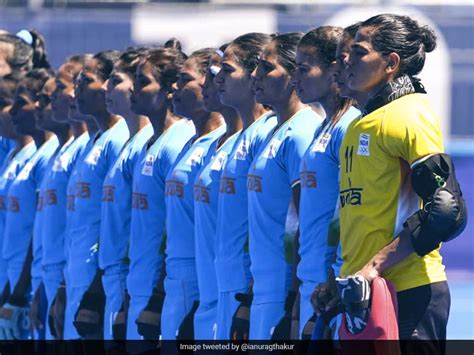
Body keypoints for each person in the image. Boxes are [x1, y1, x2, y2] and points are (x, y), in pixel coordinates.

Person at [340, 14, 459, 351]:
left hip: (408, 293)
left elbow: (447, 210)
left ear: (391, 62)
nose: (346, 60)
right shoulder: (359, 125)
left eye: (359, 52)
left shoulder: (408, 113)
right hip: (362, 294)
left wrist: (376, 265)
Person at [247, 32, 322, 340]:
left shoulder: (302, 132)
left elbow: (307, 219)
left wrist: (292, 299)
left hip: (282, 290)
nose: (256, 75)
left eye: (267, 67)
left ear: (293, 75)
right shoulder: (270, 130)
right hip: (263, 286)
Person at [293, 26, 360, 339]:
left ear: (334, 69)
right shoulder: (324, 127)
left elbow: (350, 210)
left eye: (304, 69)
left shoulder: (350, 126)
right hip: (312, 283)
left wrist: (334, 279)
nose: (296, 78)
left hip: (330, 290)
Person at [127, 41, 195, 342]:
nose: (133, 89)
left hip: (168, 284)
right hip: (139, 281)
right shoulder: (147, 142)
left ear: (168, 90)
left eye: (143, 82)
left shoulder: (179, 141)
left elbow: (177, 223)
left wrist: (156, 295)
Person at [213, 34, 277, 340]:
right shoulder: (239, 139)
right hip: (223, 285)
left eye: (227, 70)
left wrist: (250, 296)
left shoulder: (269, 133)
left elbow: (284, 221)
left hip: (252, 288)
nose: (218, 80)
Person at [162, 47, 226, 340]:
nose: (175, 87)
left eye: (185, 79)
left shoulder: (217, 144)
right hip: (177, 278)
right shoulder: (189, 142)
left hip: (203, 280)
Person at [67, 50, 129, 339]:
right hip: (77, 272)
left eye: (86, 81)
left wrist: (94, 289)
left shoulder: (117, 141)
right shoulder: (95, 140)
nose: (76, 90)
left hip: (100, 276)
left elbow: (118, 218)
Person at [98, 47, 154, 341]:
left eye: (116, 80)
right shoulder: (128, 144)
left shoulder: (144, 143)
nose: (107, 87)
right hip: (117, 277)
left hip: (132, 276)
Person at [1, 69, 59, 339]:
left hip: (33, 285)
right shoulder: (18, 156)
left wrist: (17, 292)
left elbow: (36, 229)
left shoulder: (46, 155)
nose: (12, 112)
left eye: (19, 103)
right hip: (18, 282)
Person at [38, 54, 92, 340]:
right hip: (59, 274)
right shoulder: (68, 149)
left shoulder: (87, 146)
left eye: (59, 88)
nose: (46, 102)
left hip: (78, 274)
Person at [193, 47, 242, 340]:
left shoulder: (263, 135)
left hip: (244, 287)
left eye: (223, 72)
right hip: (210, 286)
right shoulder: (214, 144)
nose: (208, 84)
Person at [0, 75, 36, 298]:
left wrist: (17, 291)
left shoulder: (35, 156)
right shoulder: (12, 155)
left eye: (2, 104)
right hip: (8, 273)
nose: (9, 112)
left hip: (27, 281)